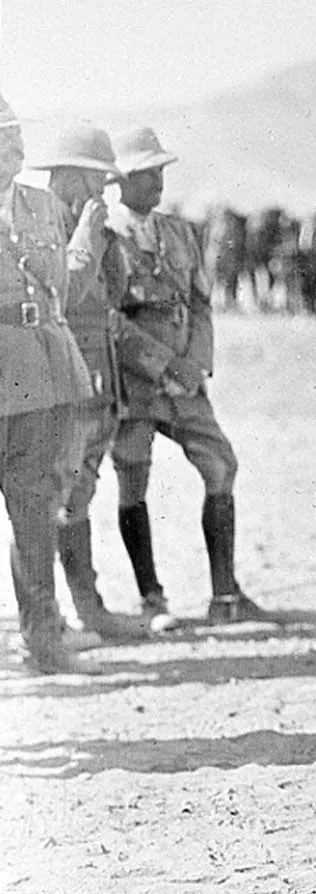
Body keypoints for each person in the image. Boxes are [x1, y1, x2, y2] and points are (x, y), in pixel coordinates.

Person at [106, 126, 271, 625]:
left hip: (185, 384)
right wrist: (161, 364)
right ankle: (151, 598)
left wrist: (196, 364)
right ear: (121, 180)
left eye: (160, 171)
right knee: (132, 480)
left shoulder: (179, 231)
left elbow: (200, 303)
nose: (157, 182)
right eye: (146, 173)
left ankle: (225, 597)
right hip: (135, 384)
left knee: (221, 466)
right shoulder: (105, 237)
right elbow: (110, 319)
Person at [31, 124, 148, 642]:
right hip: (64, 382)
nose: (104, 193)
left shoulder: (89, 225)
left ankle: (84, 606)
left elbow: (117, 294)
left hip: (96, 380)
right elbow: (68, 295)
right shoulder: (42, 224)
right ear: (71, 177)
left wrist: (107, 243)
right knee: (66, 493)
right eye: (97, 181)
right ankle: (78, 610)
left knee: (80, 490)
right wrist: (86, 237)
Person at [0, 96, 101, 674]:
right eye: (0, 138)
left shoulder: (40, 206)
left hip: (38, 378)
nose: (12, 147)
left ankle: (43, 641)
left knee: (33, 513)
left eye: (14, 136)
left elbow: (62, 285)